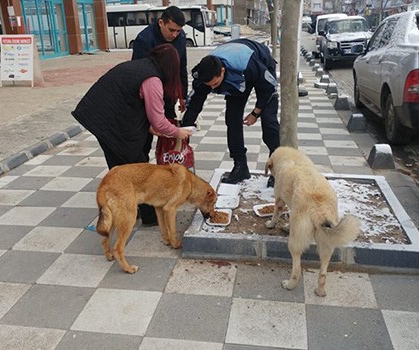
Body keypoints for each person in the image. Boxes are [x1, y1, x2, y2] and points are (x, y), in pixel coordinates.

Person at [71, 44, 192, 226]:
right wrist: (178, 132)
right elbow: (158, 120)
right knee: (140, 169)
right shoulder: (152, 80)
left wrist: (150, 127)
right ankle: (149, 217)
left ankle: (125, 209)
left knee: (120, 166)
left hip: (100, 115)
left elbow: (132, 102)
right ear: (171, 68)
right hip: (106, 120)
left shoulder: (142, 66)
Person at [181, 38, 280, 187]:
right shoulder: (202, 75)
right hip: (236, 78)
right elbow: (195, 104)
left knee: (269, 122)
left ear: (222, 70)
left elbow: (268, 89)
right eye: (209, 86)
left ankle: (277, 169)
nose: (212, 87)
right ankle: (240, 166)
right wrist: (184, 129)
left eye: (215, 84)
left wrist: (255, 113)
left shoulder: (249, 65)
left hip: (260, 67)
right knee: (232, 120)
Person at [132, 6, 188, 119]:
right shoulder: (144, 40)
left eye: (178, 31)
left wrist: (183, 96)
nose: (174, 35)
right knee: (147, 130)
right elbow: (137, 73)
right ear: (161, 22)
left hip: (170, 93)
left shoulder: (181, 38)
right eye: (171, 30)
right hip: (149, 93)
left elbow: (182, 68)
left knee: (169, 128)